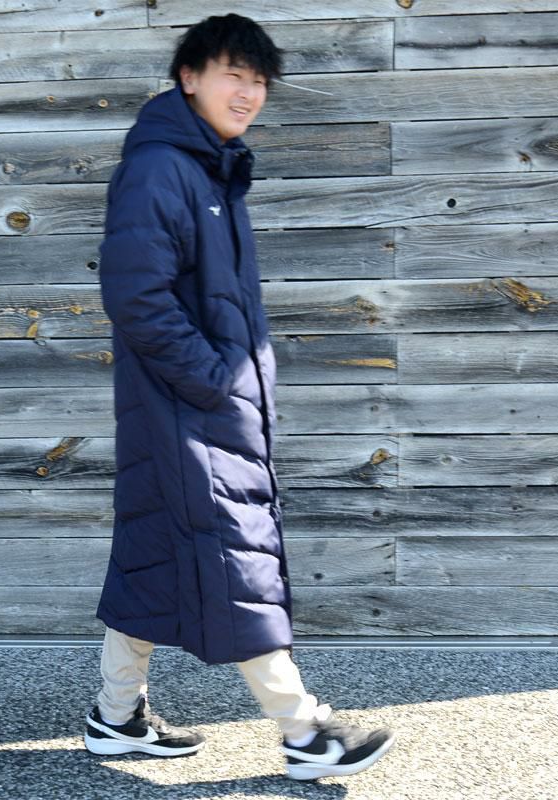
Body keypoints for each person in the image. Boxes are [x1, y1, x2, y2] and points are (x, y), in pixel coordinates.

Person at [83, 13, 395, 781]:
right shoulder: (164, 168)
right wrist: (216, 382)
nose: (248, 93)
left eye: (258, 81)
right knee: (235, 561)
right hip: (190, 410)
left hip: (200, 408)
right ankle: (306, 732)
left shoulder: (210, 170)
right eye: (233, 74)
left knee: (154, 558)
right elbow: (136, 296)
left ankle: (115, 718)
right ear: (189, 77)